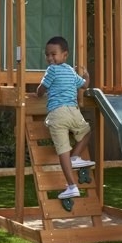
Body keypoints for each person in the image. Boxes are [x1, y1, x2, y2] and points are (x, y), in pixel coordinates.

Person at [36, 35, 94, 199]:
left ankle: (71, 185)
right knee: (87, 132)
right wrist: (87, 76)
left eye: (53, 54)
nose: (50, 58)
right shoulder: (70, 70)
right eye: (47, 55)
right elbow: (84, 85)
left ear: (65, 55)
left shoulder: (52, 70)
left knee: (63, 152)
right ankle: (75, 156)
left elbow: (42, 89)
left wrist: (38, 93)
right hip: (74, 111)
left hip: (58, 114)